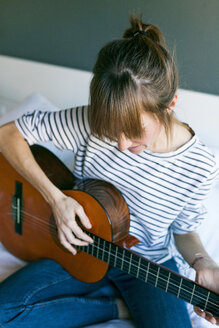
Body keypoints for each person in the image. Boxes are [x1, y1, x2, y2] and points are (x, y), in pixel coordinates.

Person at [0, 15, 218, 328]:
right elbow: (8, 134)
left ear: (169, 105)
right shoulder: (89, 121)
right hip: (79, 246)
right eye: (111, 129)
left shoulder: (200, 166)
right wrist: (55, 200)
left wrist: (203, 261)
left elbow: (184, 232)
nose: (119, 143)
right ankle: (112, 308)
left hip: (148, 265)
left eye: (133, 131)